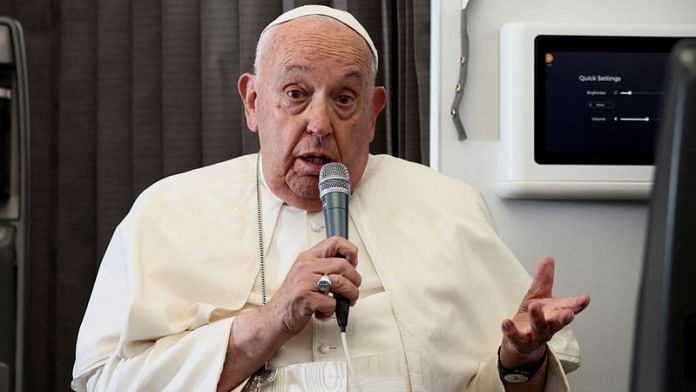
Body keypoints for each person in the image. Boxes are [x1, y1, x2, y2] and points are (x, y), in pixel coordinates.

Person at [72, 5, 590, 392]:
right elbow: (103, 378)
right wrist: (271, 322)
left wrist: (518, 361)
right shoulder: (166, 211)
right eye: (296, 94)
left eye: (344, 99)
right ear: (254, 102)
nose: (319, 125)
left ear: (373, 112)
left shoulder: (449, 208)